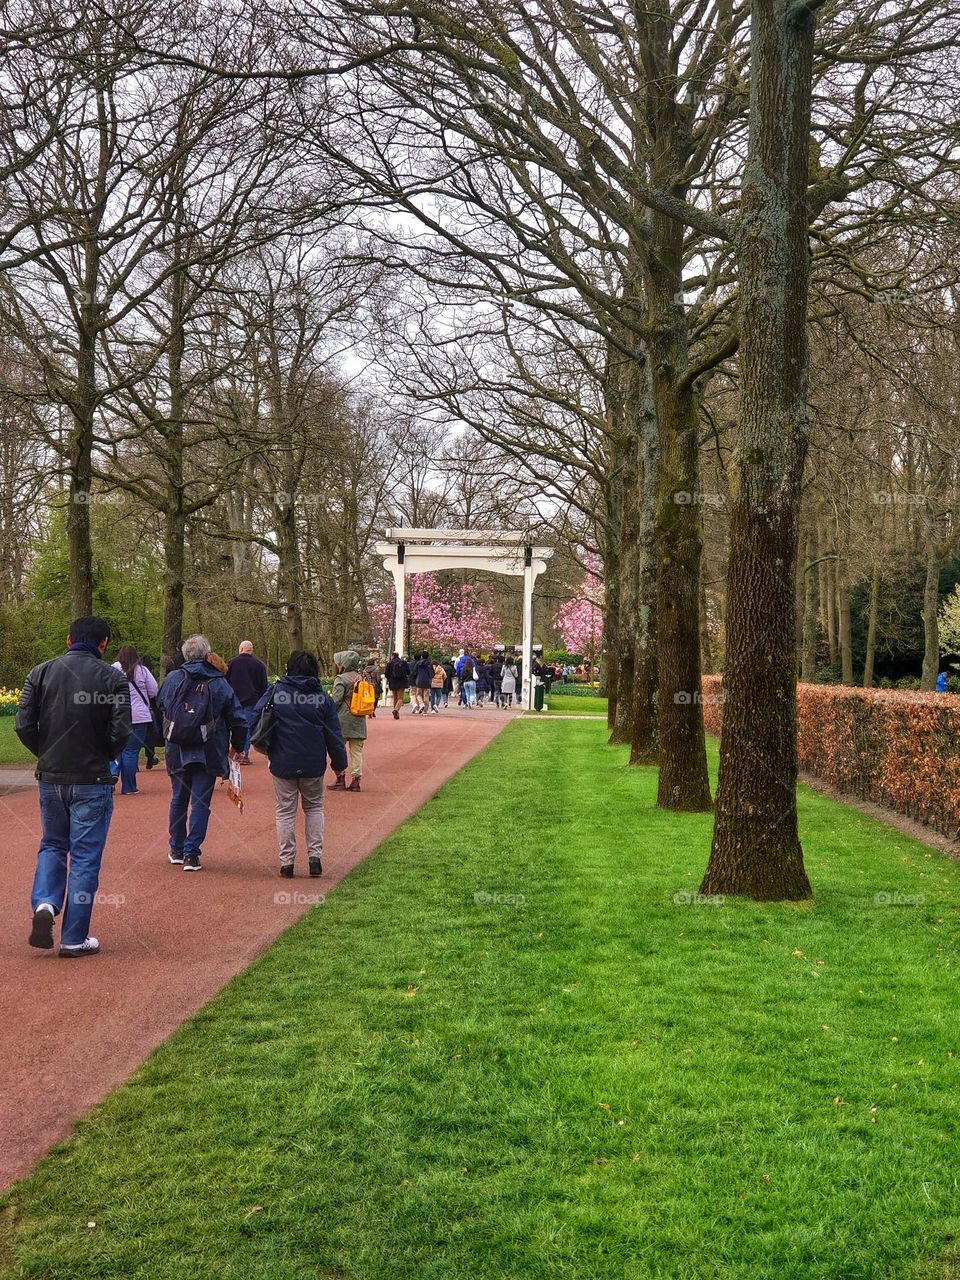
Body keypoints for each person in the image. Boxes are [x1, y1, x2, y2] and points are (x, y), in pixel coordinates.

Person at [16, 616, 131, 957]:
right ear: (104, 643)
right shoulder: (113, 678)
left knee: (52, 844)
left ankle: (46, 905)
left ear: (68, 640)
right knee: (84, 857)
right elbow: (122, 731)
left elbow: (23, 724)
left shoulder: (40, 672)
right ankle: (73, 937)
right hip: (92, 778)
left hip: (51, 777)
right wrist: (102, 756)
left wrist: (47, 753)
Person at [253, 650, 348, 878]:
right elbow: (334, 735)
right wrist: (339, 763)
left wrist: (265, 748)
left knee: (285, 812)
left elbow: (255, 718)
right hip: (313, 762)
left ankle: (287, 863)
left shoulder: (275, 693)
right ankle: (315, 858)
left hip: (282, 760)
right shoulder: (322, 699)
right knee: (314, 808)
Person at [158, 634, 247, 871]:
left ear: (185, 655)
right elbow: (238, 719)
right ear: (208, 655)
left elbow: (160, 705)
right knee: (200, 802)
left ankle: (176, 849)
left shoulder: (172, 679)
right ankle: (191, 854)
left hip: (177, 747)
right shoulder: (219, 682)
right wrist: (237, 747)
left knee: (178, 798)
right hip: (209, 747)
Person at [112, 645, 159, 795]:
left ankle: (111, 776)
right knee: (131, 751)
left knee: (115, 748)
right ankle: (129, 787)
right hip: (139, 716)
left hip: (118, 714)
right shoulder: (142, 670)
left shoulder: (112, 669)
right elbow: (154, 690)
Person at [328, 649, 367, 791]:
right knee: (356, 751)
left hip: (342, 718)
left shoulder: (341, 678)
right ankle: (356, 780)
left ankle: (340, 777)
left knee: (338, 749)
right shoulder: (361, 677)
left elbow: (336, 699)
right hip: (358, 717)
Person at [226, 640, 268, 764]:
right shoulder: (259, 665)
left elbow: (225, 682)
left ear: (240, 649)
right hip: (252, 700)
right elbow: (263, 686)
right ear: (251, 650)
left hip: (234, 700)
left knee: (233, 727)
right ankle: (244, 754)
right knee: (247, 728)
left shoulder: (231, 663)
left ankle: (232, 752)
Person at [385, 651, 410, 720]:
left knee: (395, 698)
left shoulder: (389, 663)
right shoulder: (403, 662)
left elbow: (386, 674)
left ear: (392, 656)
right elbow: (408, 672)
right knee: (400, 698)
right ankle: (396, 711)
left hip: (393, 682)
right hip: (401, 682)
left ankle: (396, 712)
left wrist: (391, 678)